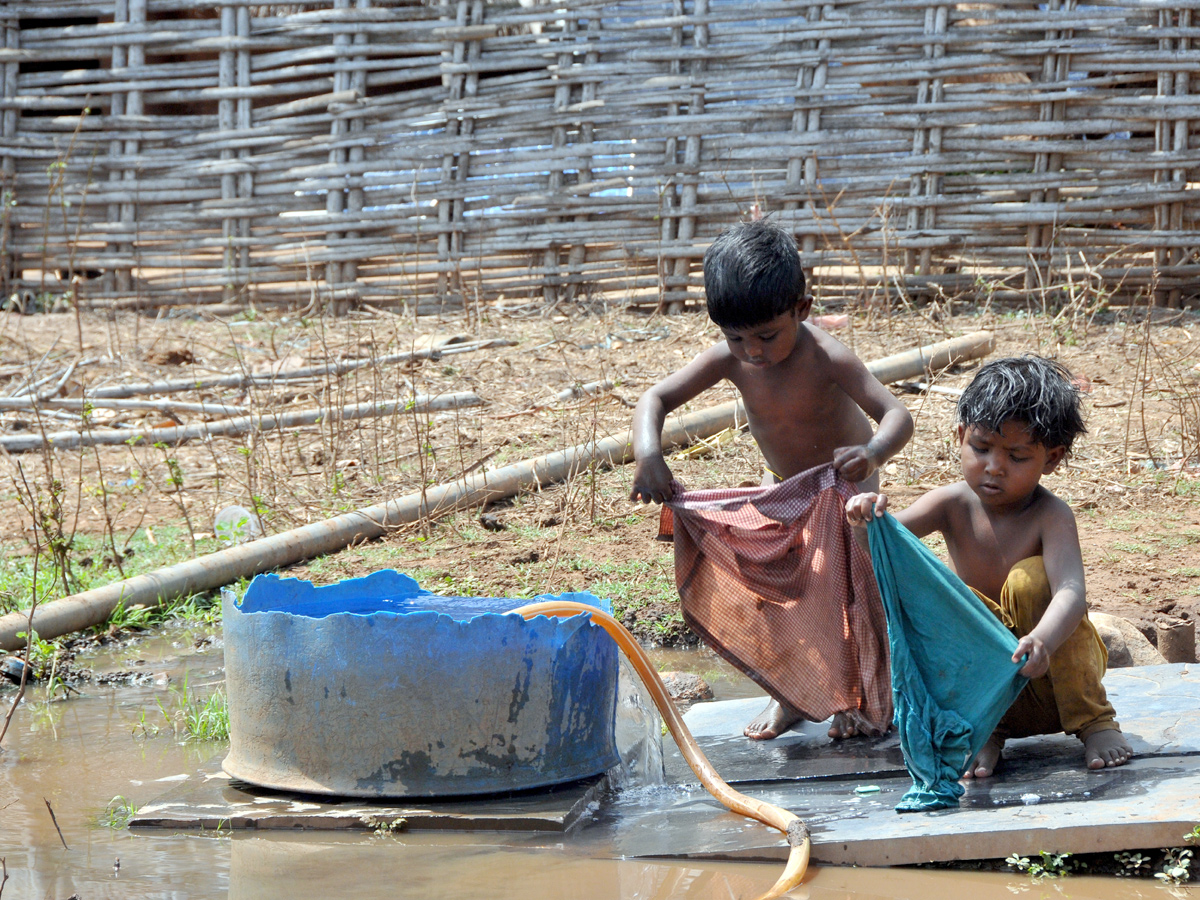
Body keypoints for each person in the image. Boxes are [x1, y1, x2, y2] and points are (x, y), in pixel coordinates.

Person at [630, 219, 914, 741]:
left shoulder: (827, 357)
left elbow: (897, 416)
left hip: (847, 491)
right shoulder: (732, 359)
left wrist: (873, 452)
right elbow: (655, 399)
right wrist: (648, 454)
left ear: (801, 310)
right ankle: (792, 696)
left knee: (853, 595)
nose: (753, 352)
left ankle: (862, 698)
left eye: (766, 336)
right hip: (783, 489)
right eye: (736, 338)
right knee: (778, 591)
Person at [845, 355, 1133, 775]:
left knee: (1030, 581)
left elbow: (1071, 592)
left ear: (1051, 459)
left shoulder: (1050, 515)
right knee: (945, 596)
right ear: (960, 436)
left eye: (1017, 456)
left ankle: (1096, 722)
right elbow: (883, 547)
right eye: (981, 448)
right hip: (988, 693)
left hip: (1056, 680)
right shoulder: (951, 503)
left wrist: (1043, 641)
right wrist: (866, 517)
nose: (994, 467)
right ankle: (987, 731)